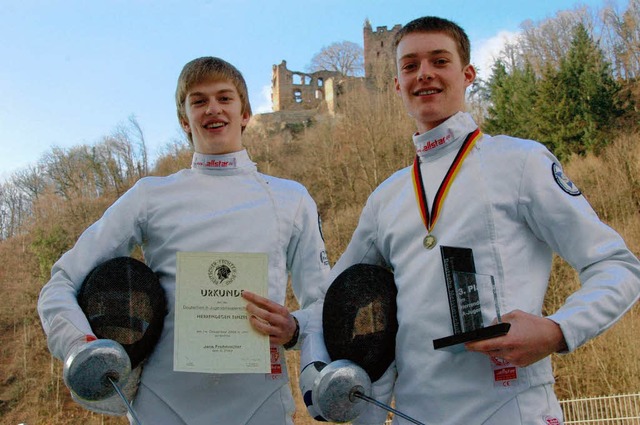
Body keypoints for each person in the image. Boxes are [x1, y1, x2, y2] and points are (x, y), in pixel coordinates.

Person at [302, 16, 640, 425]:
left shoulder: (521, 162)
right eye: (410, 66)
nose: (424, 74)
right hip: (412, 413)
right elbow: (332, 301)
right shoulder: (385, 197)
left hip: (510, 410)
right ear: (396, 85)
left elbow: (617, 266)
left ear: (467, 75)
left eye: (439, 61)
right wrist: (294, 335)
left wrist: (557, 330)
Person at [37, 56, 330, 425]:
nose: (212, 109)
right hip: (162, 406)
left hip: (262, 405)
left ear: (245, 114)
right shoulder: (149, 196)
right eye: (198, 100)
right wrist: (82, 347)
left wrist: (295, 328)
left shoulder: (291, 198)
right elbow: (60, 283)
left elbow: (324, 304)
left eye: (225, 98)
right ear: (184, 120)